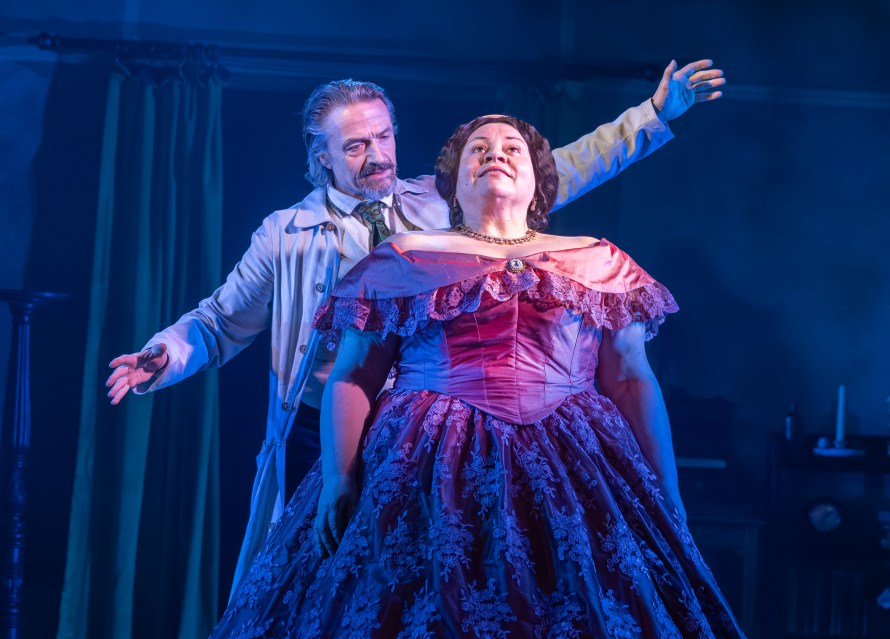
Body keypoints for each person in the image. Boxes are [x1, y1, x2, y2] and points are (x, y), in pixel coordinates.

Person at [105, 59, 726, 591]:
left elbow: (566, 166)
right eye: (355, 146)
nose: (376, 155)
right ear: (321, 157)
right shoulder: (285, 235)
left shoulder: (446, 199)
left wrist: (653, 113)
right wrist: (165, 352)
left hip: (429, 426)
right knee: (326, 579)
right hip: (322, 424)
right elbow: (220, 320)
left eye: (383, 136)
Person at [208, 112, 744, 637]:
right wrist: (338, 476)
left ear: (538, 178)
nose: (495, 155)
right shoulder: (404, 258)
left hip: (577, 460)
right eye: (479, 149)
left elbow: (630, 380)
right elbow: (352, 376)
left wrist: (665, 487)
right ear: (451, 182)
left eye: (512, 148)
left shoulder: (597, 261)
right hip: (425, 462)